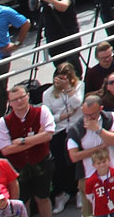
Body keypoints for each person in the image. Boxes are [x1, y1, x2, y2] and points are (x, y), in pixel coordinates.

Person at [0, 84, 56, 217]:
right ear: (10, 103)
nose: (19, 102)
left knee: (43, 198)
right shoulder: (3, 122)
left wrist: (22, 141)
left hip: (41, 162)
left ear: (28, 96)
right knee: (22, 201)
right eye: (15, 100)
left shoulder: (42, 111)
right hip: (18, 167)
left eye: (22, 97)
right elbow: (5, 150)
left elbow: (49, 135)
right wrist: (37, 139)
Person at [41, 65, 82, 211]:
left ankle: (78, 192)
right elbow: (47, 116)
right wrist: (63, 116)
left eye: (66, 77)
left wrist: (68, 89)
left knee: (77, 162)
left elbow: (77, 103)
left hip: (76, 129)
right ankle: (62, 194)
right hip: (59, 131)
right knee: (61, 164)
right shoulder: (47, 94)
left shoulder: (78, 87)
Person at [82, 147, 114, 217]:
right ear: (94, 165)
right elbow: (89, 195)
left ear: (109, 160)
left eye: (104, 161)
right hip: (99, 209)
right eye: (98, 163)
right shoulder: (90, 181)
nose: (102, 165)